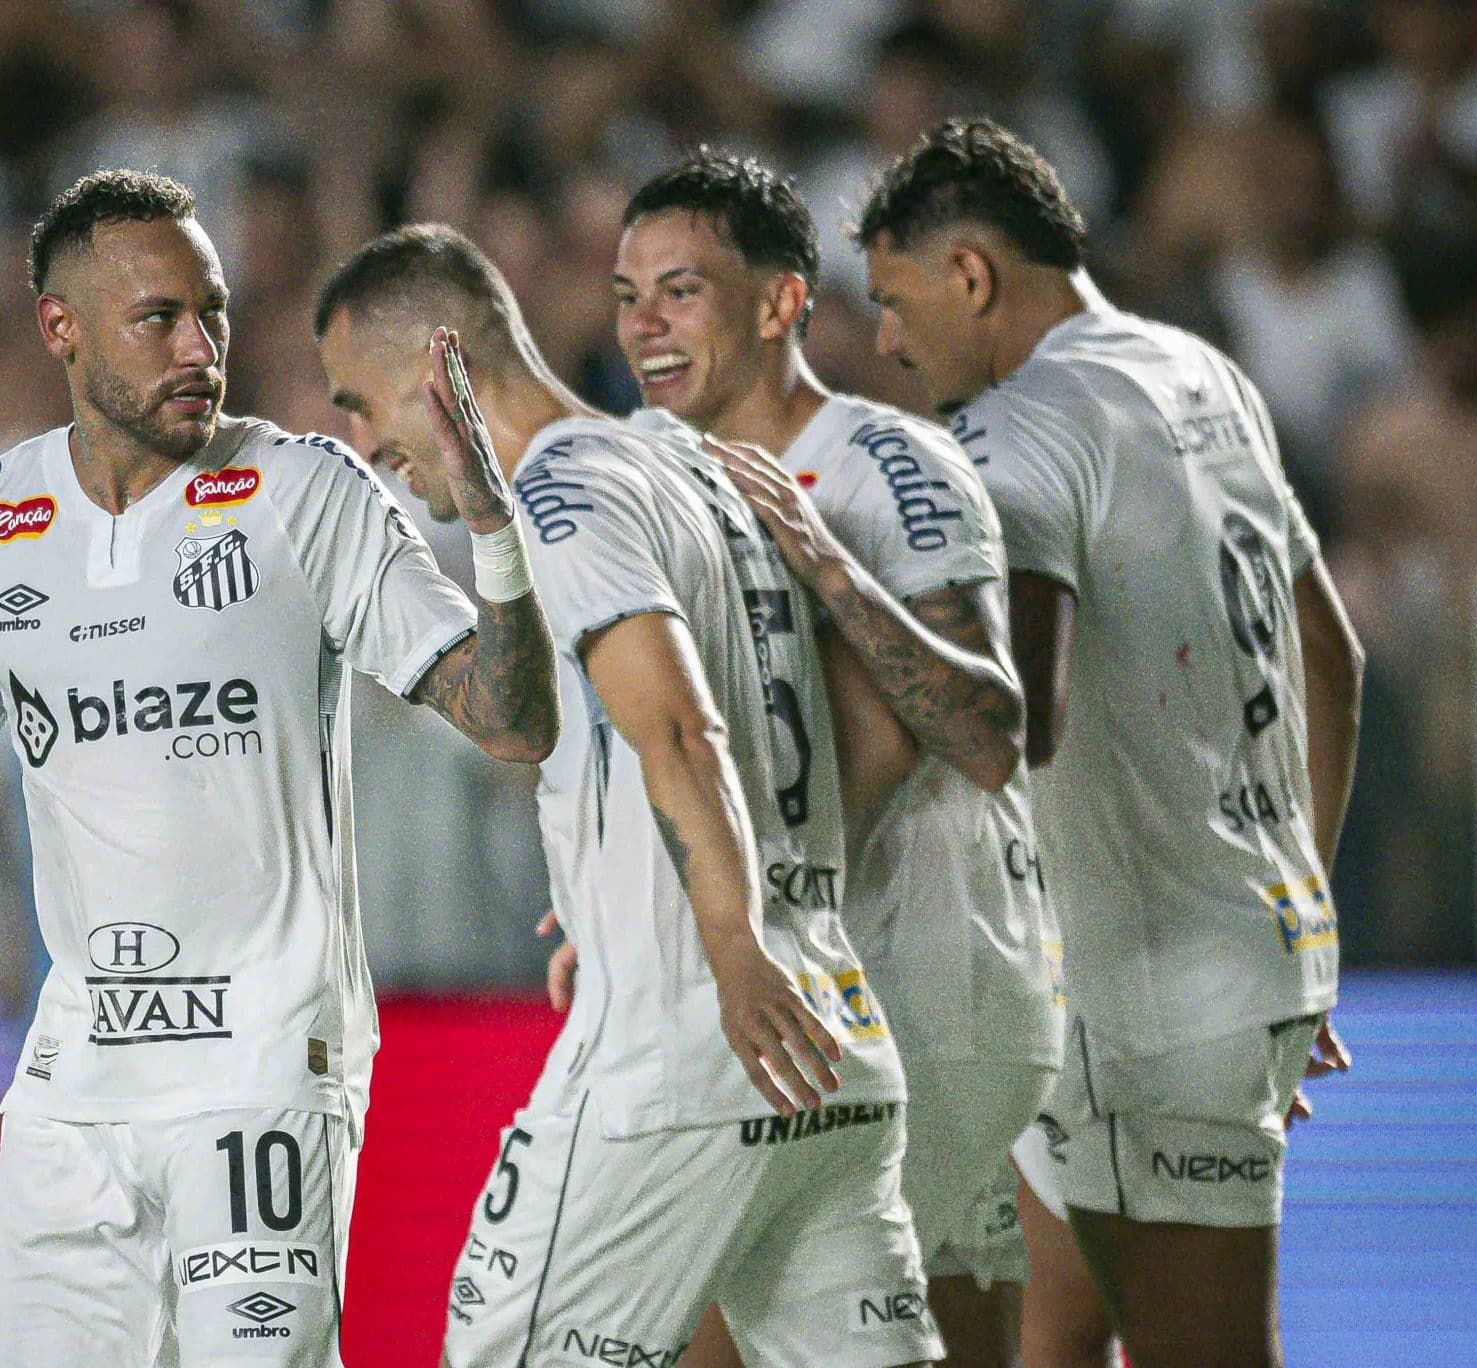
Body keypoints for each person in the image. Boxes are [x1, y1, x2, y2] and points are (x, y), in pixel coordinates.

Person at [0, 169, 561, 1368]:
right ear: (61, 328)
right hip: (73, 1089)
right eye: (159, 319)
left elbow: (512, 722)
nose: (200, 349)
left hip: (264, 1070)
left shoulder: (307, 491)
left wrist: (493, 533)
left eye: (213, 313)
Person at [315, 223, 941, 1368]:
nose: (360, 444)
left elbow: (678, 723)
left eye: (360, 403)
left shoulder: (559, 493)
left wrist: (723, 939)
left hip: (687, 1044)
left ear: (439, 365)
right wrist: (634, 883)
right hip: (833, 1039)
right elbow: (880, 734)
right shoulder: (693, 465)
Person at [852, 118, 1363, 1368]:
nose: (886, 343)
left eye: (894, 301)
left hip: (1144, 1001)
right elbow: (1332, 659)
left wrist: (832, 592)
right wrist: (1290, 910)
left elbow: (1007, 716)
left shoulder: (1015, 430)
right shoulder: (1199, 375)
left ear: (969, 276)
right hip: (1214, 952)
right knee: (1051, 1331)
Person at [613, 149, 1061, 1368]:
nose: (643, 326)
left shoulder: (886, 462)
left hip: (929, 993)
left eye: (679, 292)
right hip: (831, 993)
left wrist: (827, 565)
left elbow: (987, 734)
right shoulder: (654, 479)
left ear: (778, 304)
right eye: (627, 296)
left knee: (704, 1329)